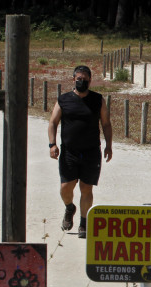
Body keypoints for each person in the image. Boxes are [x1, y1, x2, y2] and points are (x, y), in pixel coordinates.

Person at [47, 65, 113, 239]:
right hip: (69, 152)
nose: (81, 82)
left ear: (90, 81)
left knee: (86, 188)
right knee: (65, 187)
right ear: (73, 79)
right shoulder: (64, 100)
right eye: (78, 79)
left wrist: (109, 145)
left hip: (91, 151)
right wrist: (52, 144)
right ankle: (69, 207)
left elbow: (106, 123)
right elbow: (53, 122)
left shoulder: (98, 100)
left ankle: (84, 223)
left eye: (85, 79)